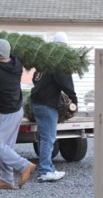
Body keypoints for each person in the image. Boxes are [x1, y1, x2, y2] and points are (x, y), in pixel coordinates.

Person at [0, 39, 36, 190]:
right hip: (17, 109)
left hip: (8, 113)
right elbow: (7, 56)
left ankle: (24, 166)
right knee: (6, 147)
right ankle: (6, 179)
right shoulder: (16, 63)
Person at [30, 32, 78, 182]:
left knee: (44, 138)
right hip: (46, 105)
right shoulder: (58, 62)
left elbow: (34, 78)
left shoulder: (44, 60)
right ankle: (45, 171)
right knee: (48, 139)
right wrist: (74, 100)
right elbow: (66, 83)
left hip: (37, 102)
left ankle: (48, 168)